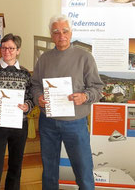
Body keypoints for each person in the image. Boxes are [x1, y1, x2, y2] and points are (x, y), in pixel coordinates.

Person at [31, 15, 104, 190]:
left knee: (84, 171)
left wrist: (85, 96)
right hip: (48, 123)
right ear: (51, 35)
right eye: (56, 32)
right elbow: (34, 85)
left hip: (75, 124)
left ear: (71, 33)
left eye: (65, 31)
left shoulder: (84, 57)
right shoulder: (44, 58)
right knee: (49, 172)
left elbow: (98, 88)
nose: (61, 35)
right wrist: (38, 97)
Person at [0, 33, 35, 190]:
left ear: (18, 50)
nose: (6, 51)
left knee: (15, 169)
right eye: (3, 48)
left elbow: (31, 97)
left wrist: (27, 106)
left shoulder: (25, 74)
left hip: (19, 125)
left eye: (11, 48)